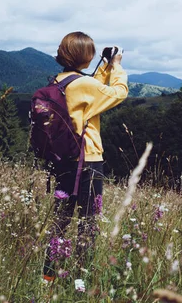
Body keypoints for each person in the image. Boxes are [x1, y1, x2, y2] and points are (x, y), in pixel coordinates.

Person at [43, 31, 128, 282]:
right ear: (86, 56)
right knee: (88, 221)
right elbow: (118, 93)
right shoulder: (84, 85)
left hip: (63, 158)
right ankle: (81, 278)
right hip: (87, 159)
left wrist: (104, 68)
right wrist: (117, 67)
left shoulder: (59, 81)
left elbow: (91, 88)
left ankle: (47, 276)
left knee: (61, 218)